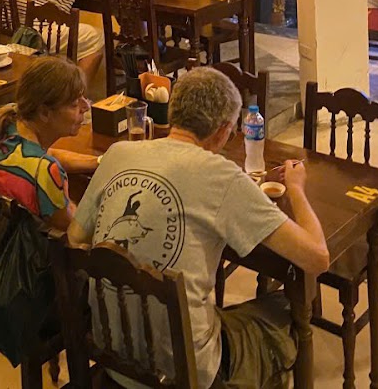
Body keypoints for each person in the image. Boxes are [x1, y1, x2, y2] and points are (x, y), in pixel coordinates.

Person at [68, 68, 329, 389]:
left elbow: (75, 237)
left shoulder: (117, 154)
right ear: (222, 131)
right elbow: (317, 258)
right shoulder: (222, 177)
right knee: (284, 310)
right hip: (184, 374)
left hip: (113, 353)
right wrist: (297, 188)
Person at [0, 56, 98, 230]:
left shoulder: (4, 128)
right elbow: (73, 230)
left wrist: (99, 162)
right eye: (74, 104)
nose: (86, 106)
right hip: (18, 245)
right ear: (44, 113)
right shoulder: (46, 171)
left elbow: (47, 154)